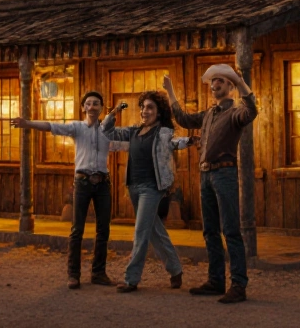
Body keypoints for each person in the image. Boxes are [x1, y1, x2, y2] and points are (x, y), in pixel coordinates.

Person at [164, 66, 257, 304]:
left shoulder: (235, 113)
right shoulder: (208, 114)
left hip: (224, 174)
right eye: (213, 81)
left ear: (229, 87)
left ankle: (238, 285)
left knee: (231, 230)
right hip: (205, 176)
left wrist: (240, 80)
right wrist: (171, 92)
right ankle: (216, 281)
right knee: (210, 231)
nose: (215, 84)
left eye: (220, 81)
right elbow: (184, 119)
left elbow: (252, 111)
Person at [13, 91, 121, 290]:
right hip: (82, 183)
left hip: (103, 184)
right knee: (77, 229)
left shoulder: (108, 131)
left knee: (103, 230)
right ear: (83, 108)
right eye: (88, 103)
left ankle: (98, 273)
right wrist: (27, 123)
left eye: (96, 103)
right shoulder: (77, 128)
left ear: (101, 108)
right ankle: (73, 275)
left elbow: (129, 143)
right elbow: (51, 126)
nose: (92, 106)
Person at [100, 90, 193, 293]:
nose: (145, 111)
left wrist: (191, 141)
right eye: (142, 107)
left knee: (141, 232)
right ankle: (176, 269)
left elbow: (174, 143)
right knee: (154, 230)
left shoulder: (163, 133)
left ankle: (131, 278)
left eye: (150, 107)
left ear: (159, 112)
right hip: (134, 186)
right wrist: (114, 112)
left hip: (152, 188)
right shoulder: (134, 131)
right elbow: (106, 132)